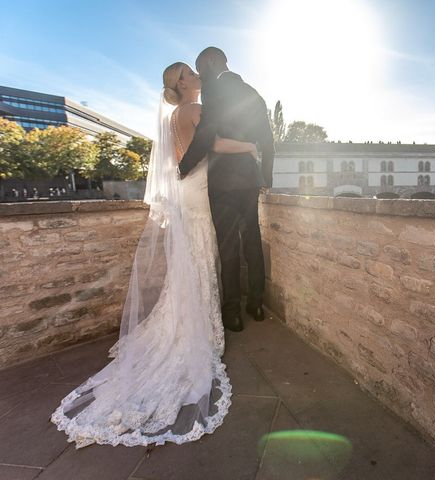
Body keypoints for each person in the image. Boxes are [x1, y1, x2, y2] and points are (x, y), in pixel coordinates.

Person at [51, 62, 257, 448]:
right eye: (192, 75)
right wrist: (249, 145)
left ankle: (187, 316)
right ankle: (199, 326)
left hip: (185, 191)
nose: (198, 78)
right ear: (182, 84)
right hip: (197, 191)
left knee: (192, 255)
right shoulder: (194, 110)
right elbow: (212, 145)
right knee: (201, 250)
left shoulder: (172, 117)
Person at [178, 46, 275, 332]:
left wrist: (184, 167)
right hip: (250, 178)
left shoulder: (214, 89)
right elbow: (268, 140)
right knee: (253, 241)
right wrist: (266, 177)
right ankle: (256, 304)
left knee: (229, 245)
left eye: (200, 67)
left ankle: (232, 312)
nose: (200, 74)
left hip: (222, 180)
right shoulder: (252, 92)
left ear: (210, 61)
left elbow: (207, 134)